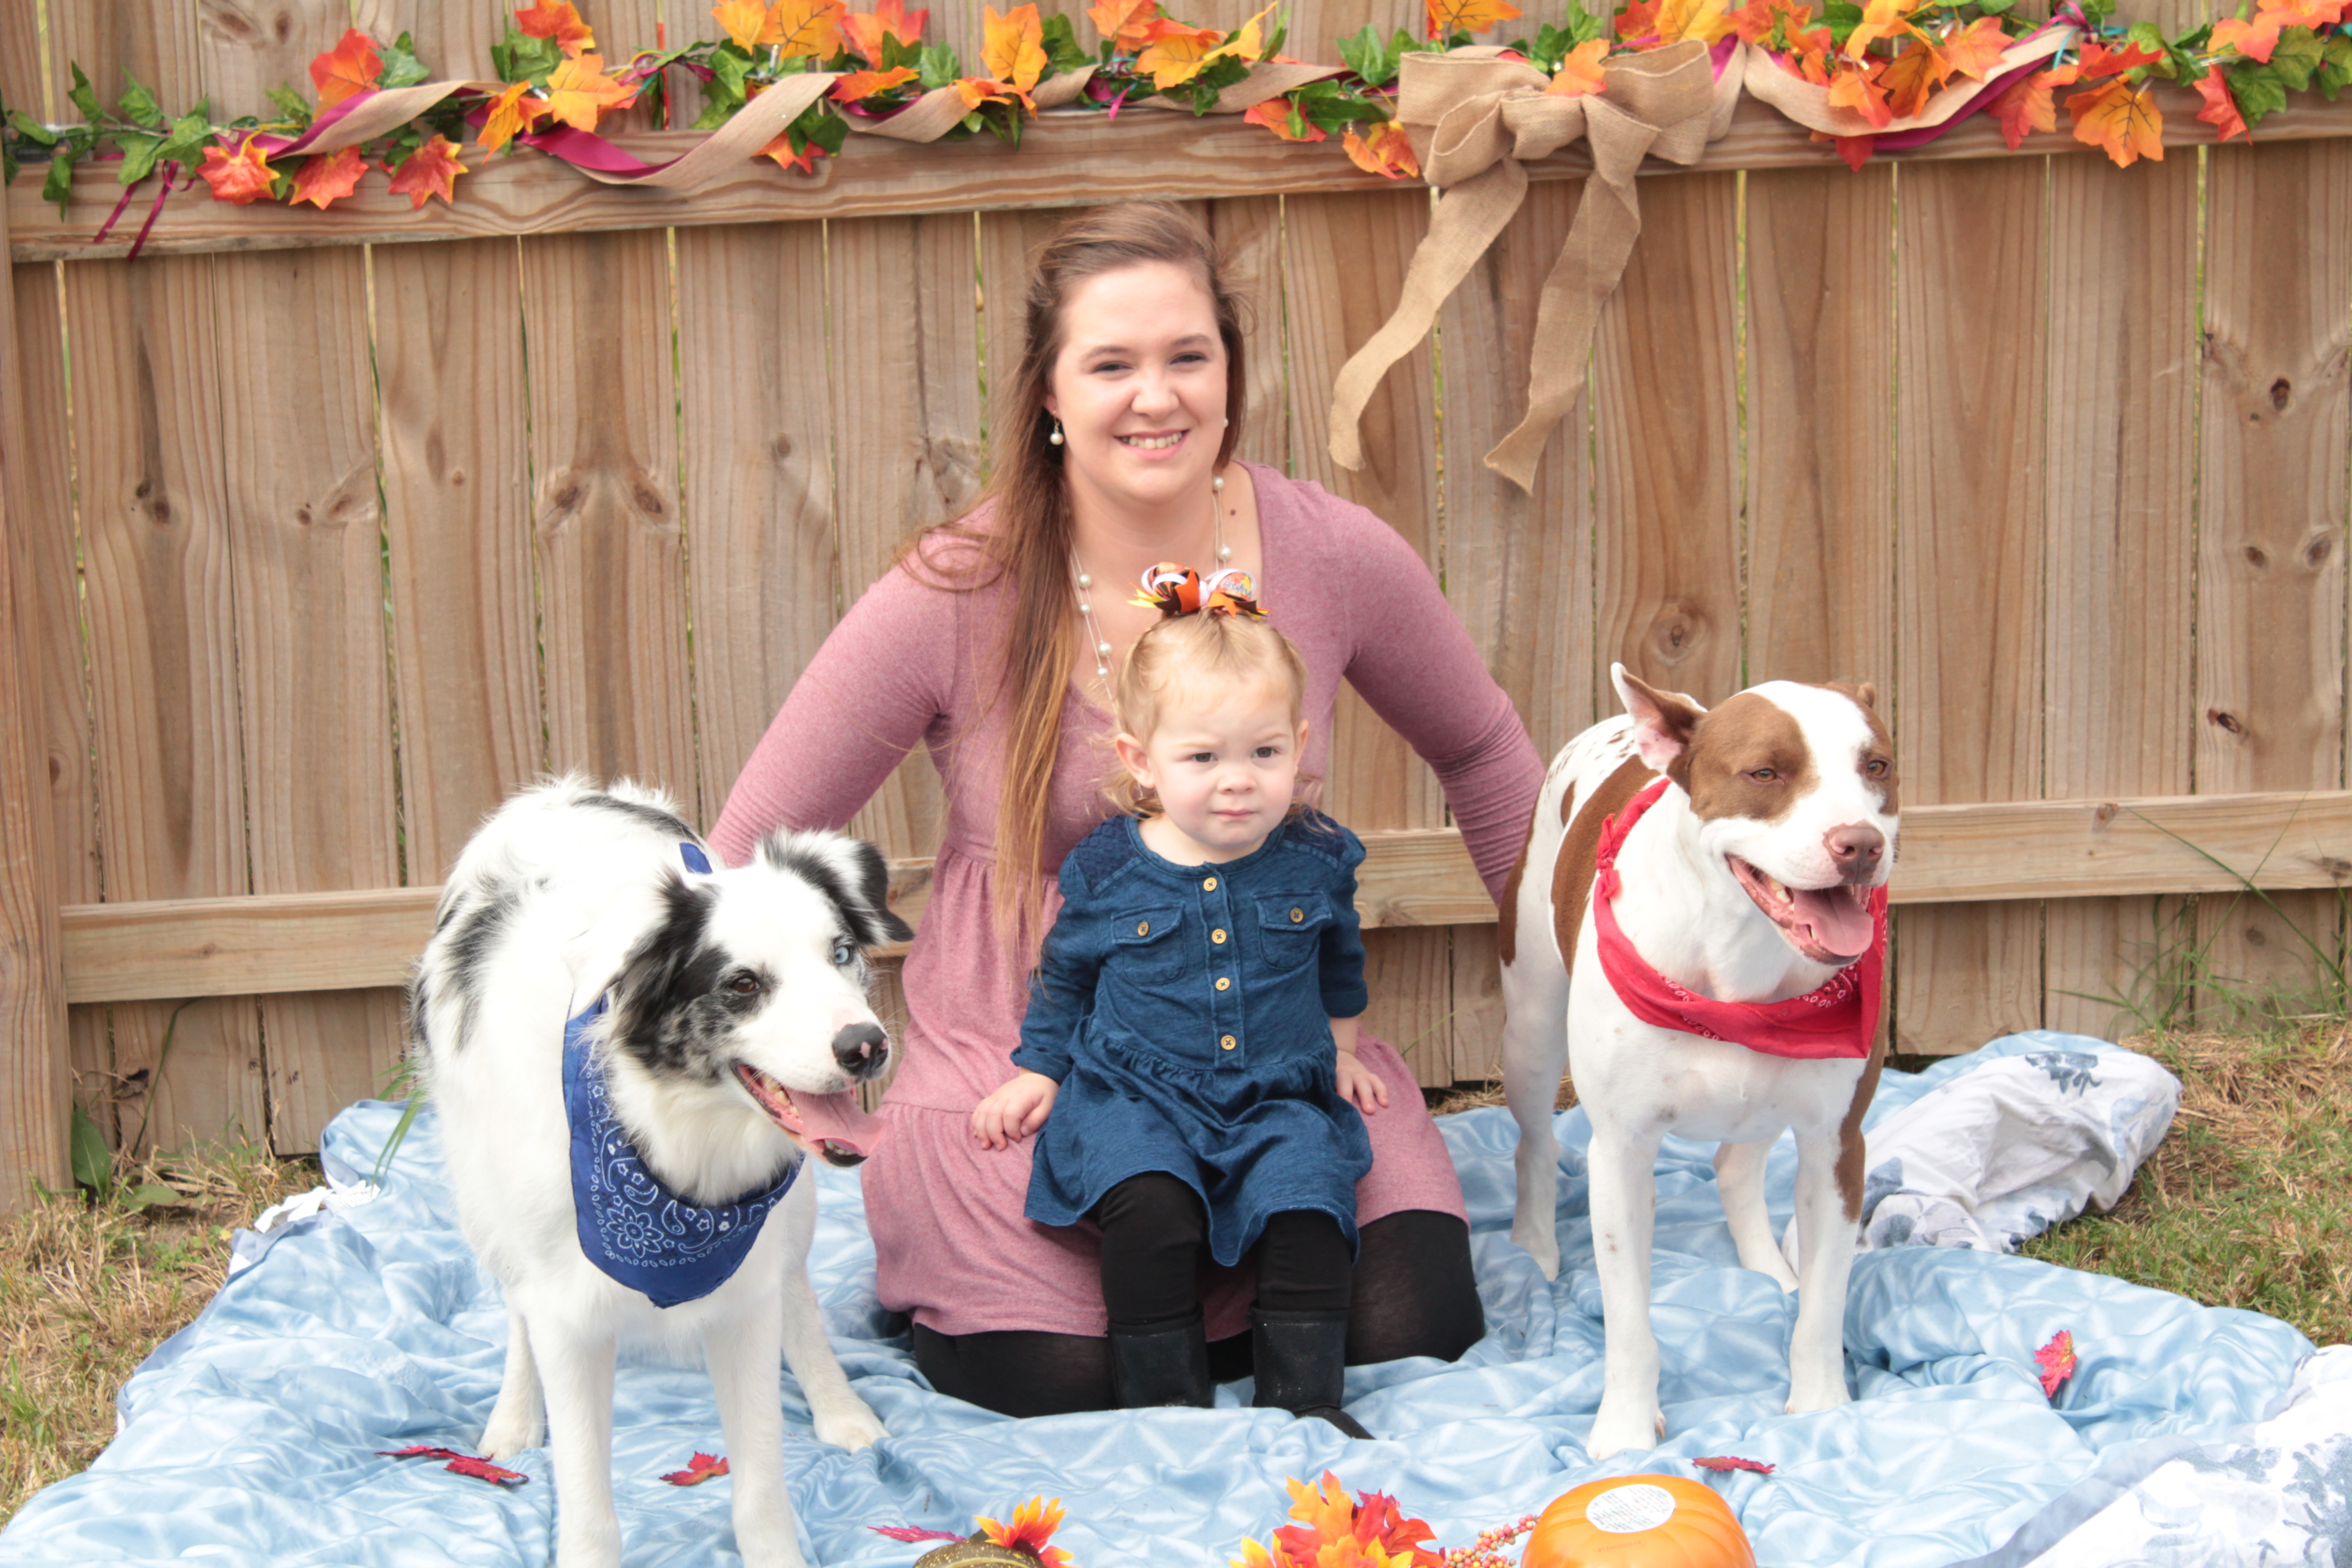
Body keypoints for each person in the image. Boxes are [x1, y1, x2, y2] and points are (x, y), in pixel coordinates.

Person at [708, 201, 1544, 1418]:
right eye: (1112, 364)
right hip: (1030, 1070)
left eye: (1186, 357)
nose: (1156, 396)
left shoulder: (1334, 552)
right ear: (1050, 394)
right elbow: (755, 842)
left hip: (1276, 1068)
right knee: (1063, 1381)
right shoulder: (956, 587)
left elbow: (1481, 745)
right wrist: (759, 1058)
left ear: (1230, 373)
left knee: (1413, 1323)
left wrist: (1580, 968)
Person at [971, 565, 1386, 1435]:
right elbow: (1068, 977)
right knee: (1149, 1208)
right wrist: (1039, 1071)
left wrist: (1343, 1050)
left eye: (1265, 754)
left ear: (1299, 745)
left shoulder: (1316, 859)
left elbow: (1339, 963)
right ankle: (1164, 1407)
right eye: (1203, 757)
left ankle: (1305, 1400)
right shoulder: (1112, 869)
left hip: (1278, 1090)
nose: (1238, 781)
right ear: (1142, 760)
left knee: (1310, 1198)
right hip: (1139, 1092)